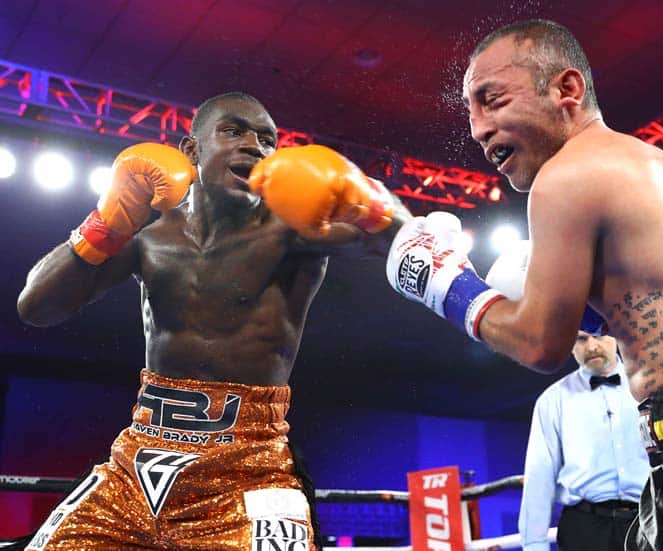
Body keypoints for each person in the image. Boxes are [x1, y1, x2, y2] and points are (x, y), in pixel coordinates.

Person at [377, 19, 663, 551]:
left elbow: (538, 344)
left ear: (566, 90)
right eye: (471, 111)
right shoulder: (633, 163)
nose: (478, 129)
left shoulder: (567, 176)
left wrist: (444, 283)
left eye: (493, 100)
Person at [16, 91, 410, 550]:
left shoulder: (292, 231)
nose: (255, 146)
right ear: (191, 150)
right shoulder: (148, 238)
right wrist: (108, 221)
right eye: (233, 130)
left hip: (251, 466)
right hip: (139, 461)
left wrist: (370, 200)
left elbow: (404, 240)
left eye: (268, 140)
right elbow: (36, 307)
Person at [519, 330, 649, 551]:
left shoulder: (648, 385)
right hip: (584, 527)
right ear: (569, 345)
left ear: (614, 336)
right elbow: (540, 475)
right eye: (581, 339)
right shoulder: (553, 400)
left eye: (598, 336)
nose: (591, 347)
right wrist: (534, 544)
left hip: (648, 519)